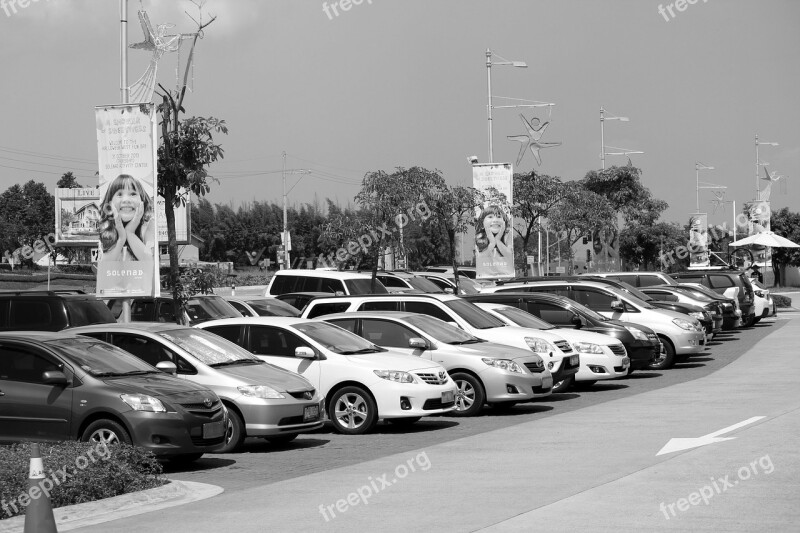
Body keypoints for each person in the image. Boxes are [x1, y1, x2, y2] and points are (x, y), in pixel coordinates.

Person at [98, 174, 154, 262]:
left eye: (133, 194)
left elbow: (150, 260)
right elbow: (104, 266)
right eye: (119, 194)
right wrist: (121, 239)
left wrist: (130, 232)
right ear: (110, 203)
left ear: (143, 200)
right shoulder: (106, 227)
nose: (126, 200)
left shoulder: (149, 226)